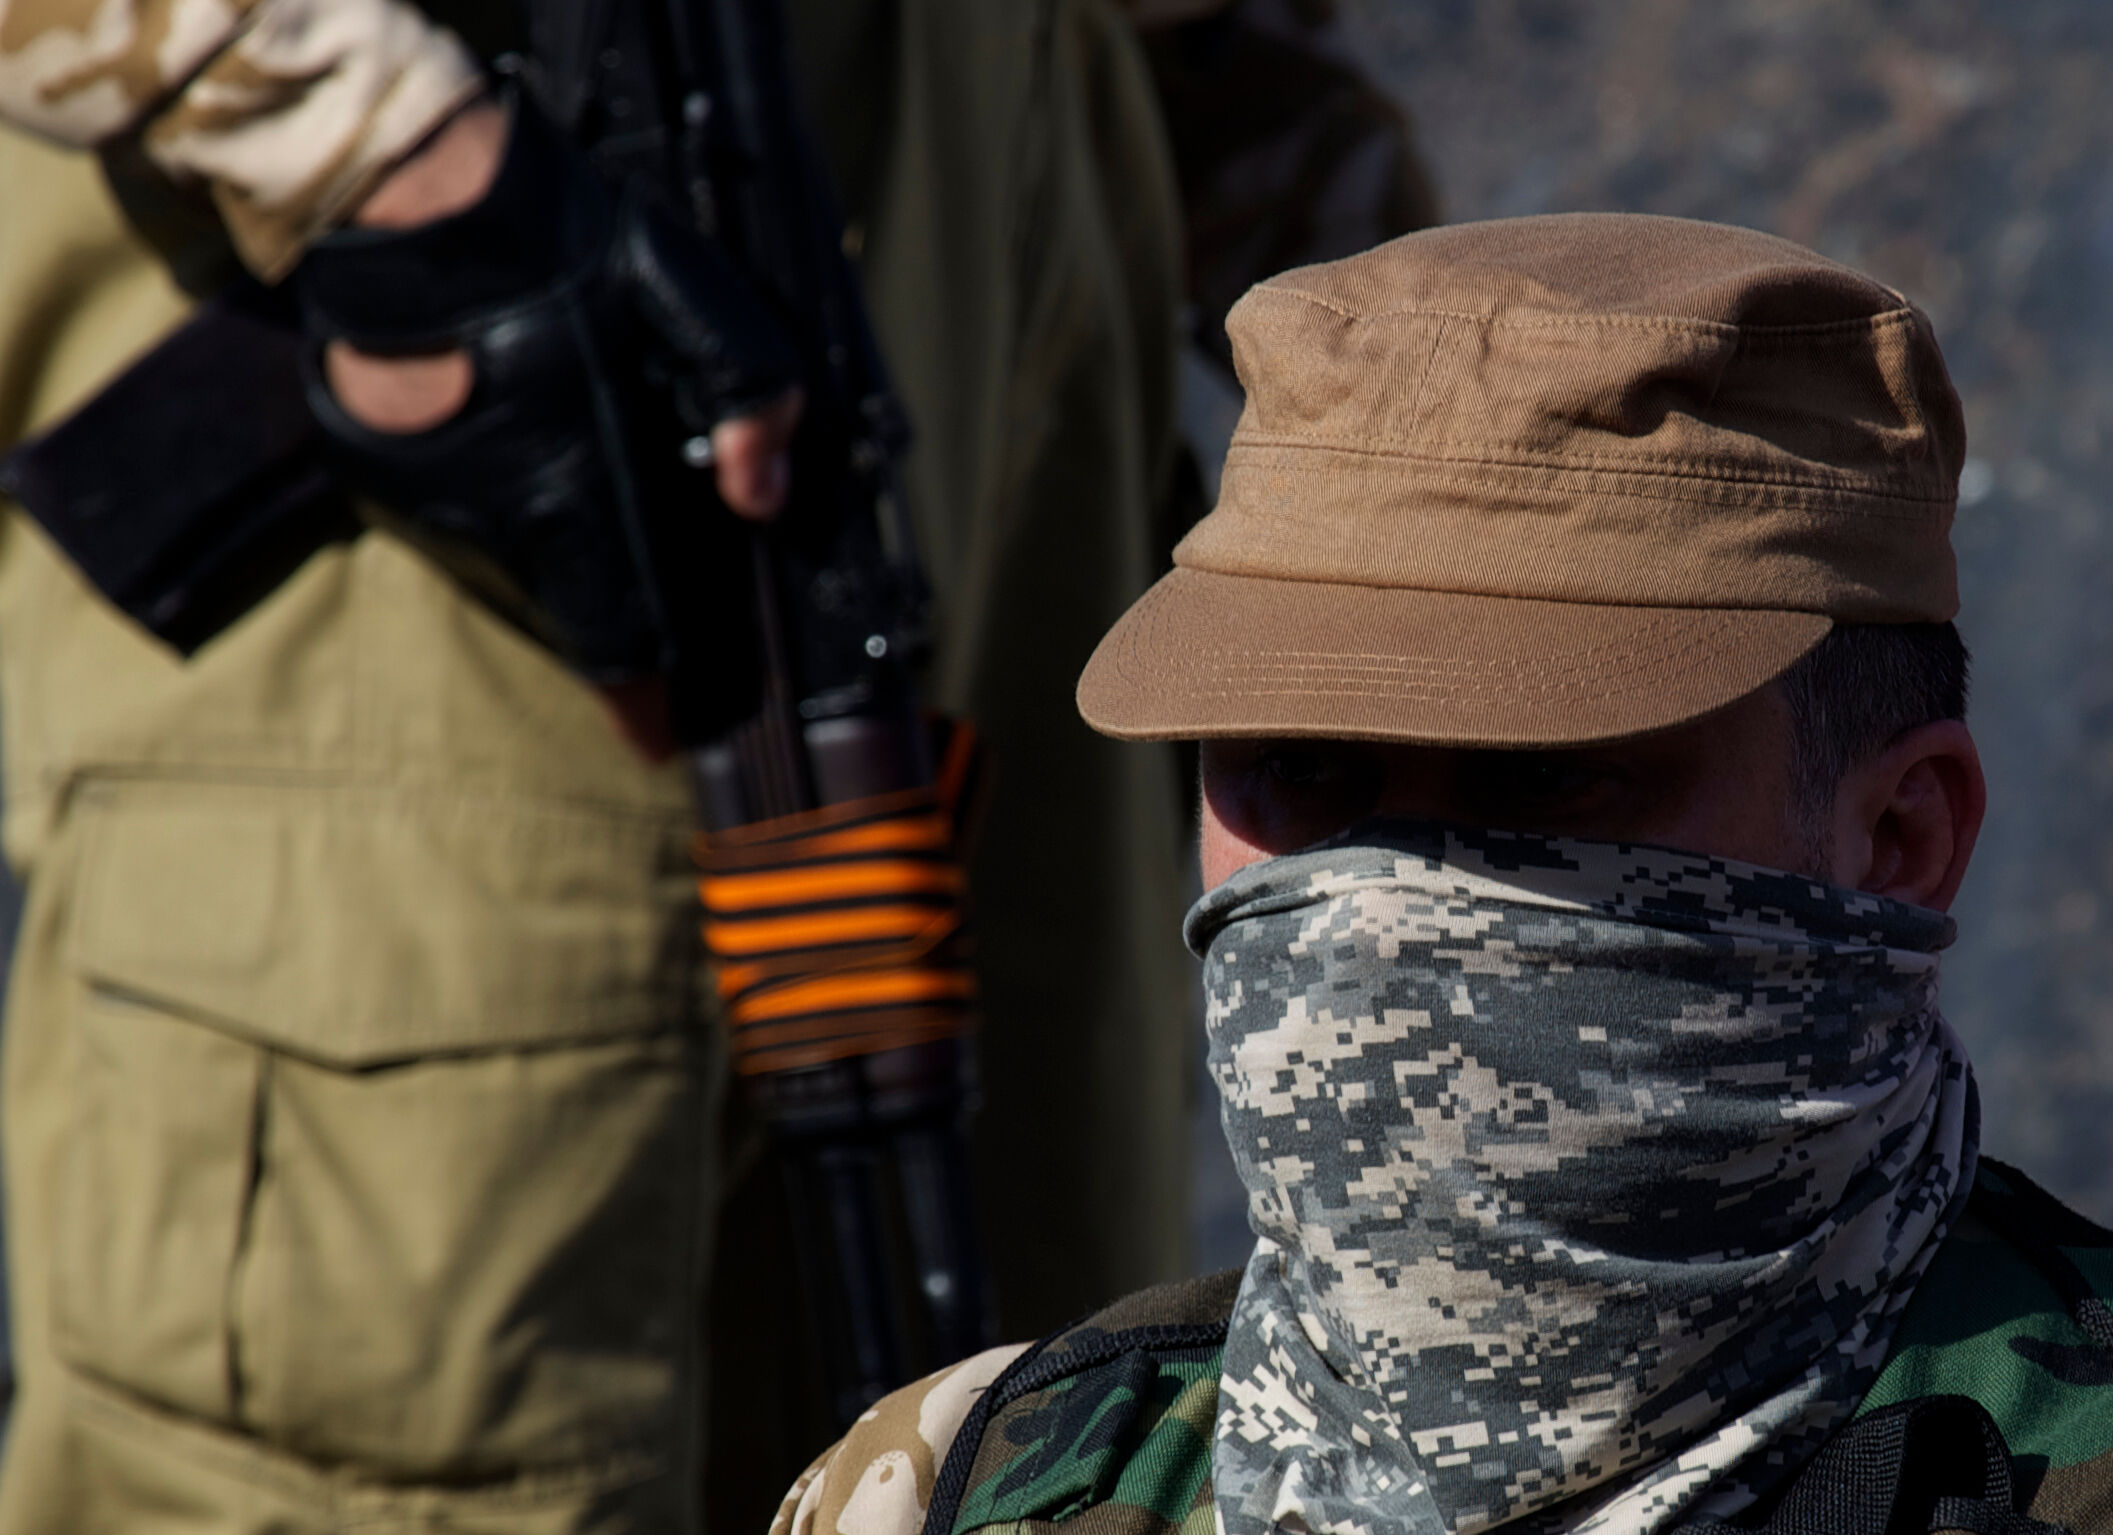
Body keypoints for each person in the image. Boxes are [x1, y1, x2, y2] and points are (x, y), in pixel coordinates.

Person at [0, 0, 1192, 1528]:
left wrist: (1251, 127)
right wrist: (378, 159)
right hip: (449, 257)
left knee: (1011, 1426)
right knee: (408, 1432)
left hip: (1007, 190)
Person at [771, 214, 2113, 1535]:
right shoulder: (958, 1483)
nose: (1383, 902)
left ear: (1899, 840)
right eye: (1300, 766)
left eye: (1546, 778)